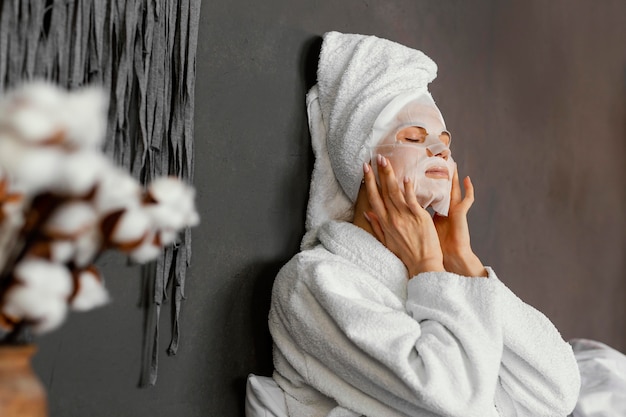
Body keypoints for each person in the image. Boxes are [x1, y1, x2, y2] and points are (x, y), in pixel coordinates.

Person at [257, 32, 581, 417]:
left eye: (446, 143)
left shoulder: (432, 282)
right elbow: (453, 404)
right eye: (414, 137)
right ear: (362, 160)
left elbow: (557, 393)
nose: (440, 151)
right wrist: (429, 268)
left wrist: (463, 264)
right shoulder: (313, 283)